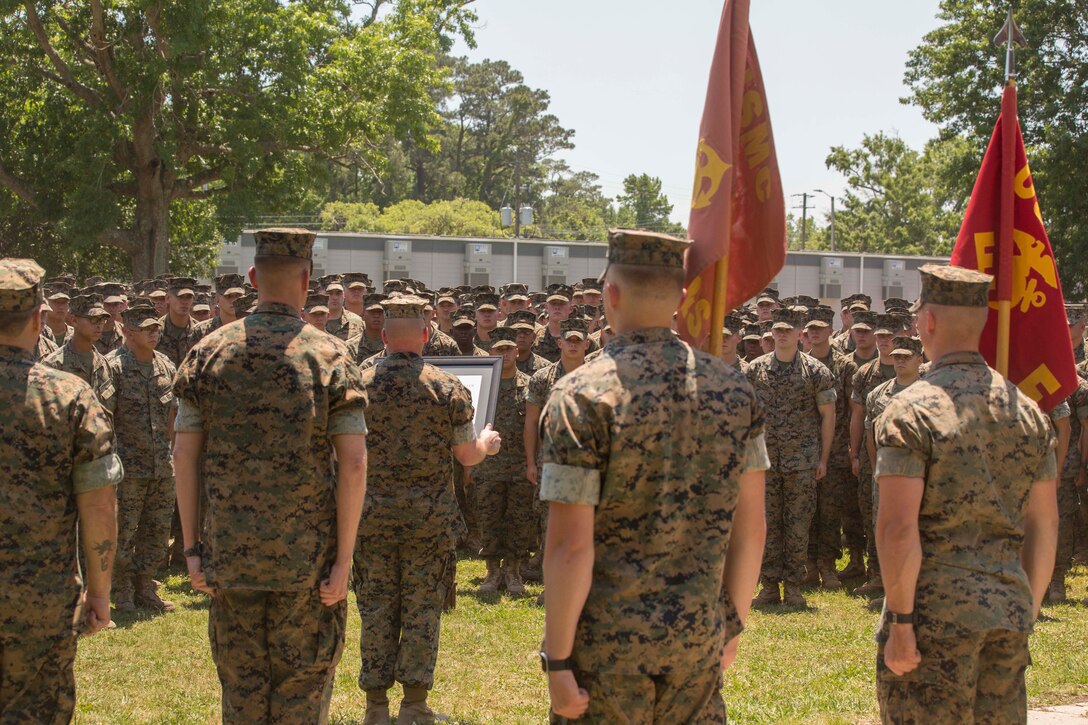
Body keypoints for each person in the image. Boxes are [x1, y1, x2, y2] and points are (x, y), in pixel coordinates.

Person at [540, 229, 767, 723]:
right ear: (681, 299)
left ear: (610, 295)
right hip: (697, 643)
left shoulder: (581, 396)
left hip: (606, 653)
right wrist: (732, 627)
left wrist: (556, 659)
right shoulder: (734, 391)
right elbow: (751, 531)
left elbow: (570, 548)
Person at [172, 228, 369, 724]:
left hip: (229, 559)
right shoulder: (329, 355)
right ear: (307, 281)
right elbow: (355, 462)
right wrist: (344, 562)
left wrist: (193, 550)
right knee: (302, 695)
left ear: (254, 277)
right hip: (309, 565)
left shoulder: (208, 353)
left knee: (241, 693)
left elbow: (182, 455)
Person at [874, 264, 1058, 724]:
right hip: (1007, 609)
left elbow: (898, 528)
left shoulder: (909, 410)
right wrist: (1024, 612)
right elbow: (1045, 524)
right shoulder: (1029, 413)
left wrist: (900, 624)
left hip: (934, 617)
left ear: (927, 322)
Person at [354, 295, 501, 725]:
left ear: (383, 335)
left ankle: (375, 707)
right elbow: (466, 456)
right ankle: (414, 706)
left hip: (372, 520)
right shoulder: (446, 386)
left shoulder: (358, 383)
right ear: (425, 333)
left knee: (376, 609)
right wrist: (488, 444)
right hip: (429, 521)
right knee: (421, 610)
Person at [0, 258, 122, 722]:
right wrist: (100, 591)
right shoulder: (68, 396)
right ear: (38, 319)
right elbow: (99, 504)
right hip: (41, 601)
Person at [747, 307, 836, 608]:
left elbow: (828, 416)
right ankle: (770, 585)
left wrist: (822, 458)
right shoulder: (754, 370)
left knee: (798, 526)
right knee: (767, 524)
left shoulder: (816, 372)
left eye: (788, 330)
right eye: (777, 330)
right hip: (765, 462)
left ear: (799, 334)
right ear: (771, 333)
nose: (782, 334)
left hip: (803, 461)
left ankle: (795, 586)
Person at [107, 302, 178, 613]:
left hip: (162, 466)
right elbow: (104, 419)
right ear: (127, 331)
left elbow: (174, 414)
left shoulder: (165, 365)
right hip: (127, 468)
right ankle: (121, 590)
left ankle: (145, 585)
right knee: (122, 532)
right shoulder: (112, 367)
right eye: (146, 329)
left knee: (156, 531)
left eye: (156, 328)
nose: (154, 333)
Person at [474, 326, 534, 595]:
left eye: (509, 348)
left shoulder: (531, 384)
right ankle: (492, 570)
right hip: (488, 467)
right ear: (490, 352)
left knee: (519, 520)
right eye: (499, 349)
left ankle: (513, 571)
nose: (505, 353)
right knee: (489, 518)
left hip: (520, 466)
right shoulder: (482, 385)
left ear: (517, 351)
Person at [804, 305, 858, 587]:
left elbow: (851, 409)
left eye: (819, 328)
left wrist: (851, 449)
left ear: (830, 329)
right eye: (809, 329)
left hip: (836, 451)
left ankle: (828, 565)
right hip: (804, 449)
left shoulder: (845, 365)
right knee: (808, 511)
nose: (813, 333)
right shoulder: (803, 364)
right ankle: (810, 565)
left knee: (830, 511)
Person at [41, 293, 117, 414]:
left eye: (102, 319)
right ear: (74, 320)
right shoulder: (53, 365)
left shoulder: (104, 364)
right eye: (93, 319)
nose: (99, 325)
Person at [157, 277, 204, 367]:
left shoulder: (200, 332)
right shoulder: (156, 330)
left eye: (189, 297)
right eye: (180, 297)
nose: (184, 302)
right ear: (167, 298)